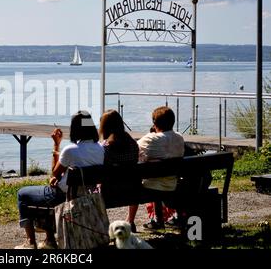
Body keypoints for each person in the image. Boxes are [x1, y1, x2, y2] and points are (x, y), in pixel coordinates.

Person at [15, 110, 104, 249]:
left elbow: (54, 174)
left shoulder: (71, 150)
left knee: (23, 194)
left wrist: (56, 144)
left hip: (65, 196)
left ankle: (30, 242)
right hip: (88, 195)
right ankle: (49, 239)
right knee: (47, 193)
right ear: (92, 126)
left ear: (74, 129)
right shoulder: (101, 149)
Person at [126, 106, 185, 230]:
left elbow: (133, 150)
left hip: (152, 188)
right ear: (172, 121)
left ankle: (133, 221)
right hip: (173, 184)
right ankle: (160, 219)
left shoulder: (150, 139)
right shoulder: (179, 138)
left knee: (142, 180)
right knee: (157, 175)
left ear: (154, 123)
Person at [98, 109, 140, 230]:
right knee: (134, 180)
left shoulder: (105, 148)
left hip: (110, 191)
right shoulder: (133, 144)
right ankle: (130, 221)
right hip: (133, 189)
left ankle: (103, 226)